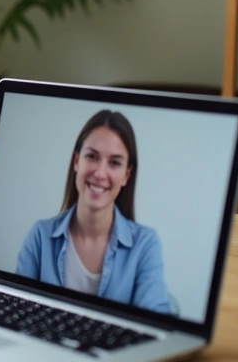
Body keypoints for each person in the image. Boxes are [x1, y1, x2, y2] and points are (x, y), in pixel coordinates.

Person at [15, 110, 172, 314]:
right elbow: (17, 310)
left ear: (126, 175)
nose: (99, 173)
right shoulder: (40, 236)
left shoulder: (146, 245)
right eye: (92, 157)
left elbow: (155, 322)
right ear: (76, 161)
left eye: (114, 163)